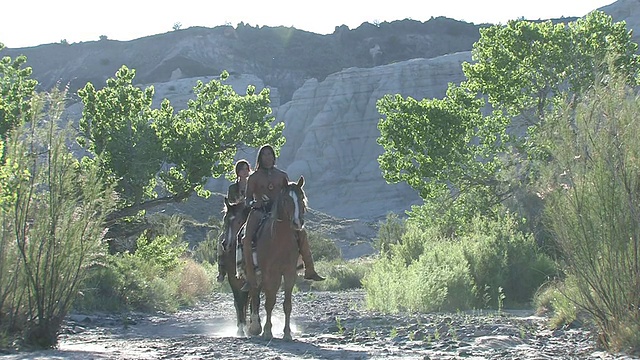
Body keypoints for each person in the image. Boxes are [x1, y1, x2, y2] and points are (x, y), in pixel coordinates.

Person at [240, 144, 324, 291]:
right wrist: (255, 202)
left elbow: (288, 195)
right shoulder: (254, 178)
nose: (267, 157)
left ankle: (309, 269)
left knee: (301, 232)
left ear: (274, 157)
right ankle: (250, 277)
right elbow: (247, 200)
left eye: (270, 154)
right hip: (259, 212)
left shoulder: (282, 175)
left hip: (278, 213)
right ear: (260, 158)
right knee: (246, 239)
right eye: (264, 155)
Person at [217, 159, 251, 283]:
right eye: (242, 169)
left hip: (249, 213)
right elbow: (231, 201)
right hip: (235, 212)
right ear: (238, 172)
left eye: (246, 169)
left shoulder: (253, 184)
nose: (245, 171)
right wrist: (239, 201)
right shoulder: (232, 187)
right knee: (222, 238)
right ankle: (221, 270)